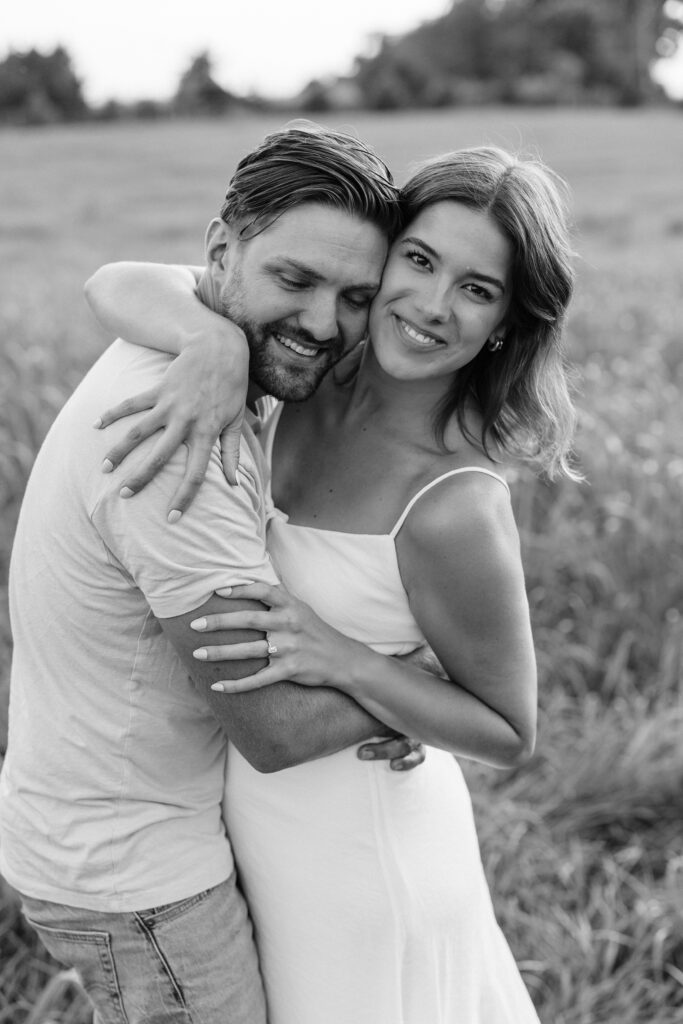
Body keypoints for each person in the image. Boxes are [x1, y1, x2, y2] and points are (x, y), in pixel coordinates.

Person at [85, 142, 578, 1023]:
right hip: (253, 836)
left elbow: (509, 730)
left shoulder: (452, 502)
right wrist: (207, 338)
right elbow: (113, 282)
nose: (431, 305)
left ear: (505, 321)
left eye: (476, 288)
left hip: (364, 861)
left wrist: (355, 663)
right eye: (419, 261)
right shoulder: (302, 371)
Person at [0, 124, 429, 1024]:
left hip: (119, 835)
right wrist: (419, 687)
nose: (324, 324)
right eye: (294, 281)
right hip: (139, 878)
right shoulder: (179, 445)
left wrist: (218, 339)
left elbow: (121, 278)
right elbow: (271, 726)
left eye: (355, 297)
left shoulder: (209, 345)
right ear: (221, 250)